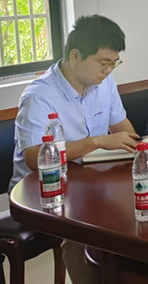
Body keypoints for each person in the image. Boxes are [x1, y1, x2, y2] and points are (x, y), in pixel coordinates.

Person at [10, 15, 139, 191]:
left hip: (88, 182)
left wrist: (140, 152)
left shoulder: (104, 82)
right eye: (104, 63)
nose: (109, 70)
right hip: (40, 190)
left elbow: (120, 126)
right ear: (75, 56)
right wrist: (97, 142)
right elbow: (34, 158)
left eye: (113, 63)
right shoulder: (39, 96)